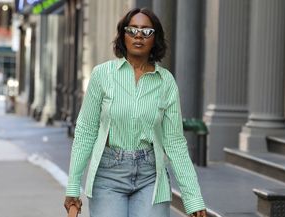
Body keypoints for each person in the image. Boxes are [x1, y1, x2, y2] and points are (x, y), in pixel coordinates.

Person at [64, 8, 207, 217]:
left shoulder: (166, 82)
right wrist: (73, 187)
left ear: (155, 39)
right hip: (108, 174)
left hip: (151, 177)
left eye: (146, 31)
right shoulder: (102, 75)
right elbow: (86, 131)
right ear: (123, 35)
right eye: (132, 30)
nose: (139, 35)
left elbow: (175, 142)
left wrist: (193, 198)